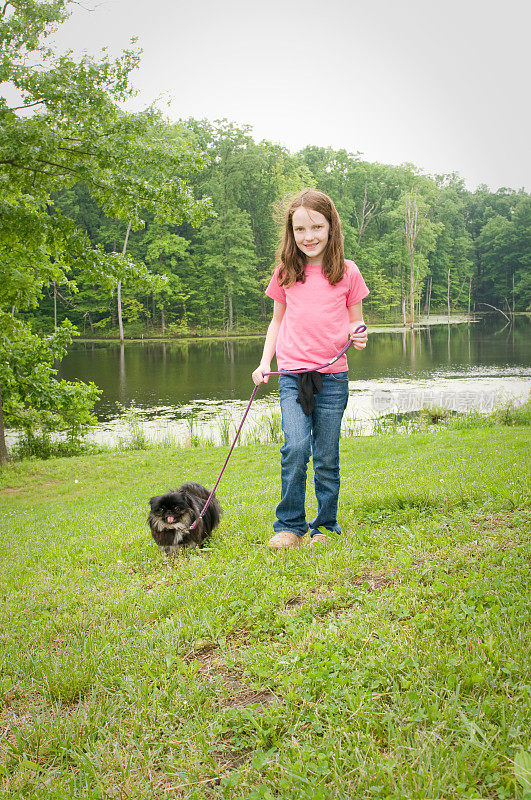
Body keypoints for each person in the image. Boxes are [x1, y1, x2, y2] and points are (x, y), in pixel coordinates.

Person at [252, 189, 370, 549]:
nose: (309, 236)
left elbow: (357, 322)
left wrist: (359, 334)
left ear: (331, 227)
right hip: (291, 376)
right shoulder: (286, 271)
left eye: (317, 226)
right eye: (300, 229)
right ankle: (288, 526)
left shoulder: (347, 272)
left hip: (333, 378)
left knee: (326, 455)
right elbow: (276, 322)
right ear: (292, 232)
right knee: (297, 447)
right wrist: (263, 361)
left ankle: (325, 526)